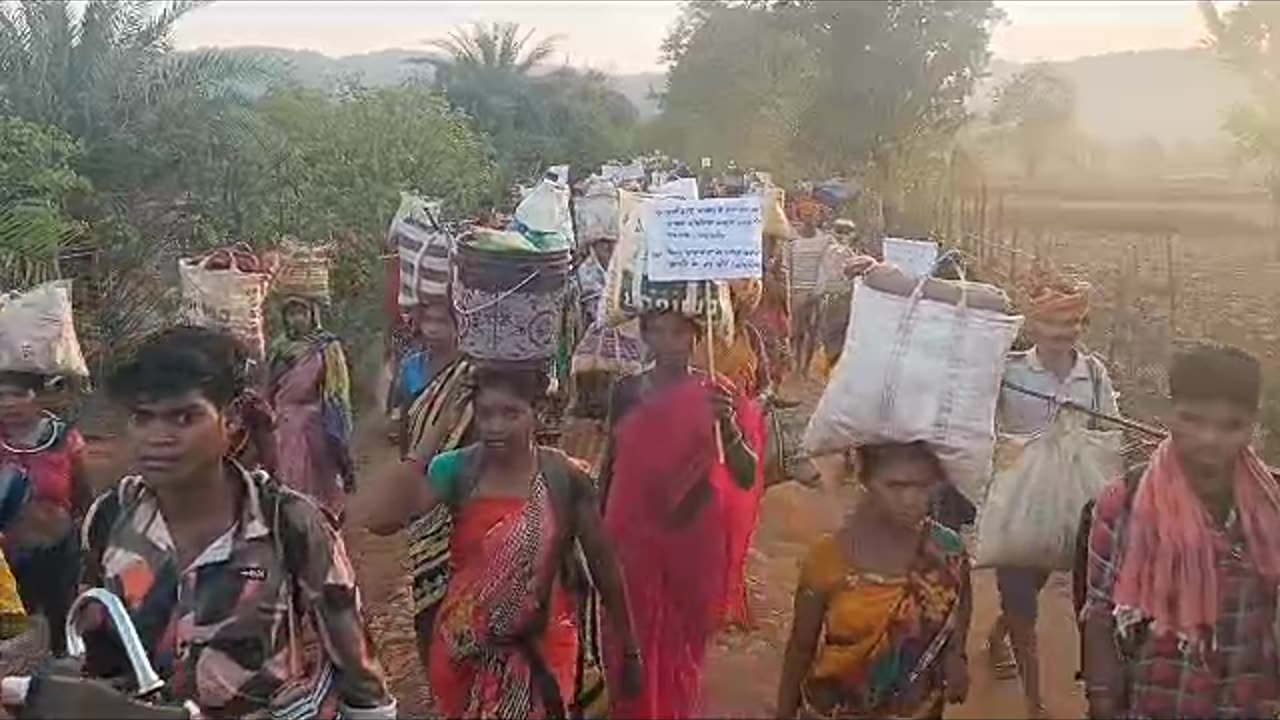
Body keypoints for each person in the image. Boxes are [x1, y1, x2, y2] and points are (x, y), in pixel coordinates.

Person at [51, 326, 397, 719]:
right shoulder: (110, 519)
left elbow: (359, 674)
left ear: (230, 419)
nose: (158, 437)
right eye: (142, 418)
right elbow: (91, 646)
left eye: (184, 417)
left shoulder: (289, 523)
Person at [365, 365, 642, 718]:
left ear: (538, 413)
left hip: (544, 648)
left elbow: (604, 565)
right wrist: (433, 436)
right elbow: (382, 520)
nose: (495, 426)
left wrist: (629, 649)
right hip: (465, 650)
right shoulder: (458, 470)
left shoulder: (565, 477)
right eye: (485, 414)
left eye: (510, 413)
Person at [1081, 343, 1280, 719]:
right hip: (1153, 700)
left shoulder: (1270, 507)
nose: (1210, 439)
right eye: (1193, 419)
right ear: (1169, 413)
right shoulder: (1125, 502)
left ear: (1253, 425)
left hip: (1242, 702)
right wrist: (1101, 699)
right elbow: (1101, 611)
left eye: (1230, 426)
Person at [600, 310, 761, 719]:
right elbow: (611, 461)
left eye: (679, 333)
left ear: (696, 338)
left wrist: (728, 426)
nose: (668, 342)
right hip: (630, 533)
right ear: (645, 336)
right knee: (628, 634)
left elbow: (744, 474)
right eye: (657, 331)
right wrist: (596, 532)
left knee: (684, 641)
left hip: (692, 536)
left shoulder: (718, 394)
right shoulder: (626, 392)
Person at [986, 273, 1118, 718]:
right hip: (1019, 506)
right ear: (1036, 327)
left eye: (1076, 325)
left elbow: (1111, 435)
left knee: (1038, 583)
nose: (1066, 334)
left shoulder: (1095, 376)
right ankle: (1034, 705)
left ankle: (996, 634)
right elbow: (983, 426)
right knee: (1022, 598)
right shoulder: (1010, 371)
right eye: (1056, 325)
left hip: (1072, 508)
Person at [776, 442, 971, 719]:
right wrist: (783, 713)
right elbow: (800, 648)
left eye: (923, 485)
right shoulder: (828, 559)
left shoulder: (948, 551)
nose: (911, 500)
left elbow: (960, 603)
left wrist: (957, 654)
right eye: (895, 486)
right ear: (864, 478)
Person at [0, 371, 90, 657]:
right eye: (1, 396)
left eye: (18, 394)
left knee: (61, 631)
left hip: (58, 552)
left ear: (38, 397)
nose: (9, 403)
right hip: (6, 558)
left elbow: (82, 496)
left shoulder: (66, 441)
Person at [268, 297, 355, 524]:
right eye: (291, 314)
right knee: (287, 478)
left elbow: (336, 389)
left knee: (322, 477)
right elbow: (270, 387)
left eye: (302, 313)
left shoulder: (327, 347)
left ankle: (325, 518)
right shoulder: (279, 348)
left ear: (312, 315)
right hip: (284, 422)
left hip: (316, 420)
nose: (296, 319)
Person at [393, 301, 463, 459]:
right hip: (416, 456)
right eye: (428, 321)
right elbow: (406, 417)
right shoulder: (410, 366)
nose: (433, 329)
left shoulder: (465, 370)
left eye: (441, 322)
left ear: (458, 326)